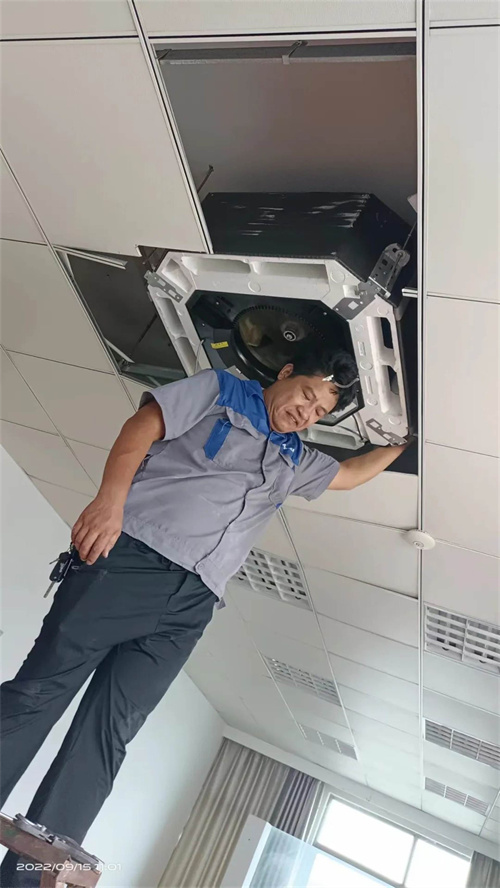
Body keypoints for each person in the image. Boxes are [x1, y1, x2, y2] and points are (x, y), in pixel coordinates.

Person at [0, 350, 408, 886]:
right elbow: (142, 426)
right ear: (285, 373)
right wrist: (109, 501)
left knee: (112, 729)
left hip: (192, 606)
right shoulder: (221, 391)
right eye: (306, 396)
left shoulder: (295, 459)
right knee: (41, 691)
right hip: (131, 560)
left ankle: (27, 877)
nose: (306, 413)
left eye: (319, 412)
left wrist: (403, 442)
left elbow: (351, 474)